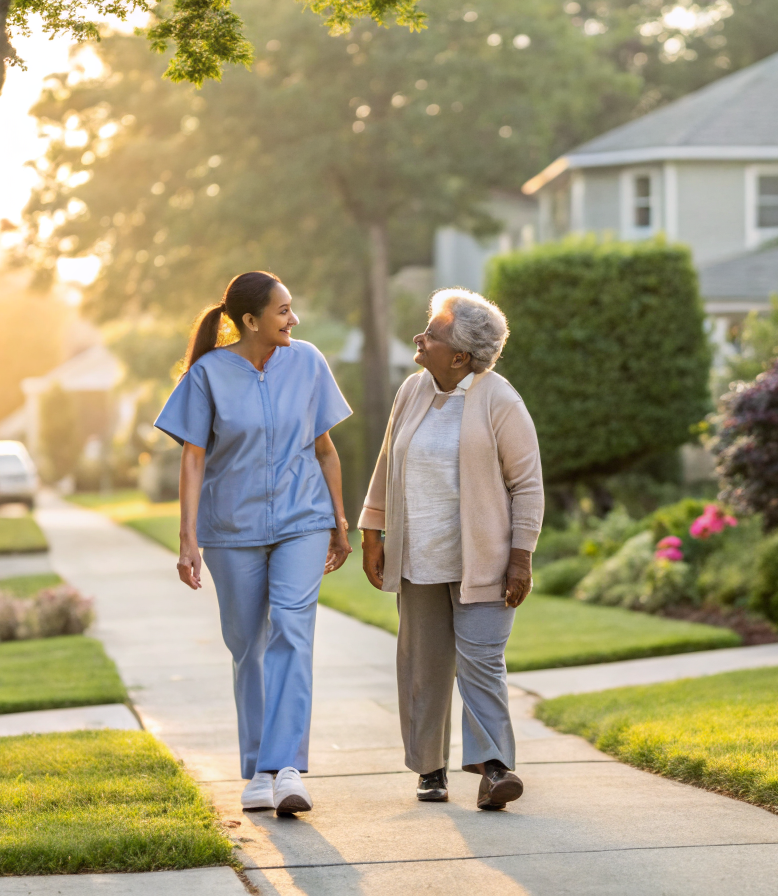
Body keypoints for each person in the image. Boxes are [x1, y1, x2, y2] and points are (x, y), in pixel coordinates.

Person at [155, 271, 352, 816]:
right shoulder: (208, 375)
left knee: (292, 628)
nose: (294, 319)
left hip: (301, 520)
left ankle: (283, 768)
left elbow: (326, 449)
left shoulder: (308, 361)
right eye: (283, 310)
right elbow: (192, 457)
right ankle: (258, 765)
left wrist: (339, 520)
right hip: (231, 530)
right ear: (250, 320)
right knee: (248, 645)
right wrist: (188, 538)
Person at [359, 288, 543, 810]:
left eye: (432, 334)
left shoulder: (500, 400)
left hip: (482, 560)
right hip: (419, 556)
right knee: (424, 664)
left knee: (482, 663)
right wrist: (373, 531)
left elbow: (528, 484)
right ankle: (430, 768)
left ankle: (494, 769)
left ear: (460, 355)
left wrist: (521, 556)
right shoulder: (413, 390)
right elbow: (386, 461)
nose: (421, 337)